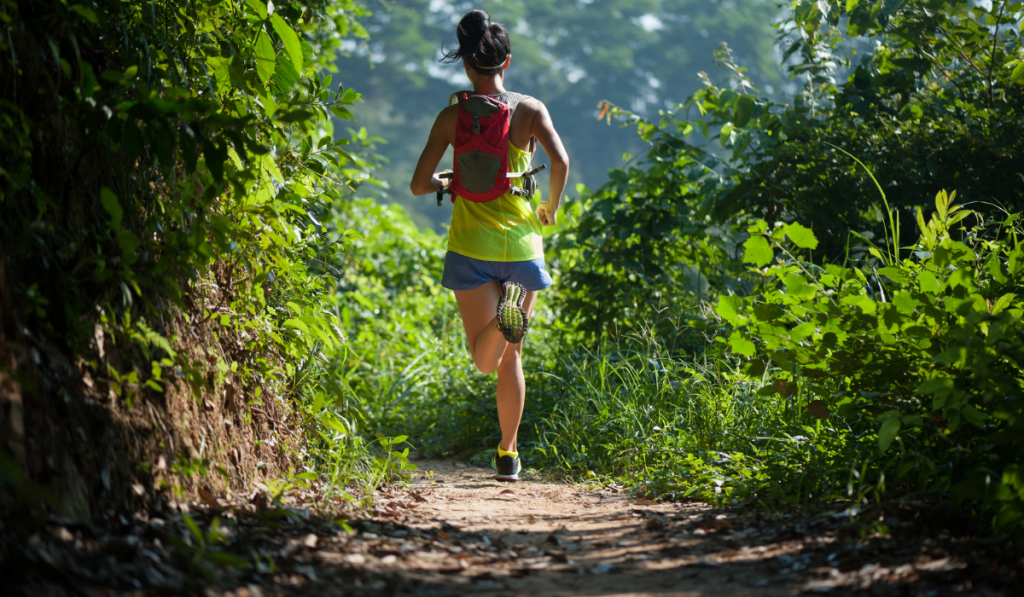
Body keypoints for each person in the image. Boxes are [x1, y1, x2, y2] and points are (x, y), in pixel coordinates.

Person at [409, 9, 569, 482]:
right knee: (512, 358)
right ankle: (508, 452)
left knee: (485, 361)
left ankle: (503, 323)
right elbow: (560, 162)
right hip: (522, 247)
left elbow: (419, 184)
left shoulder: (452, 115)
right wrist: (551, 209)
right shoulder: (531, 110)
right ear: (507, 62)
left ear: (465, 66)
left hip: (471, 246)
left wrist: (451, 179)